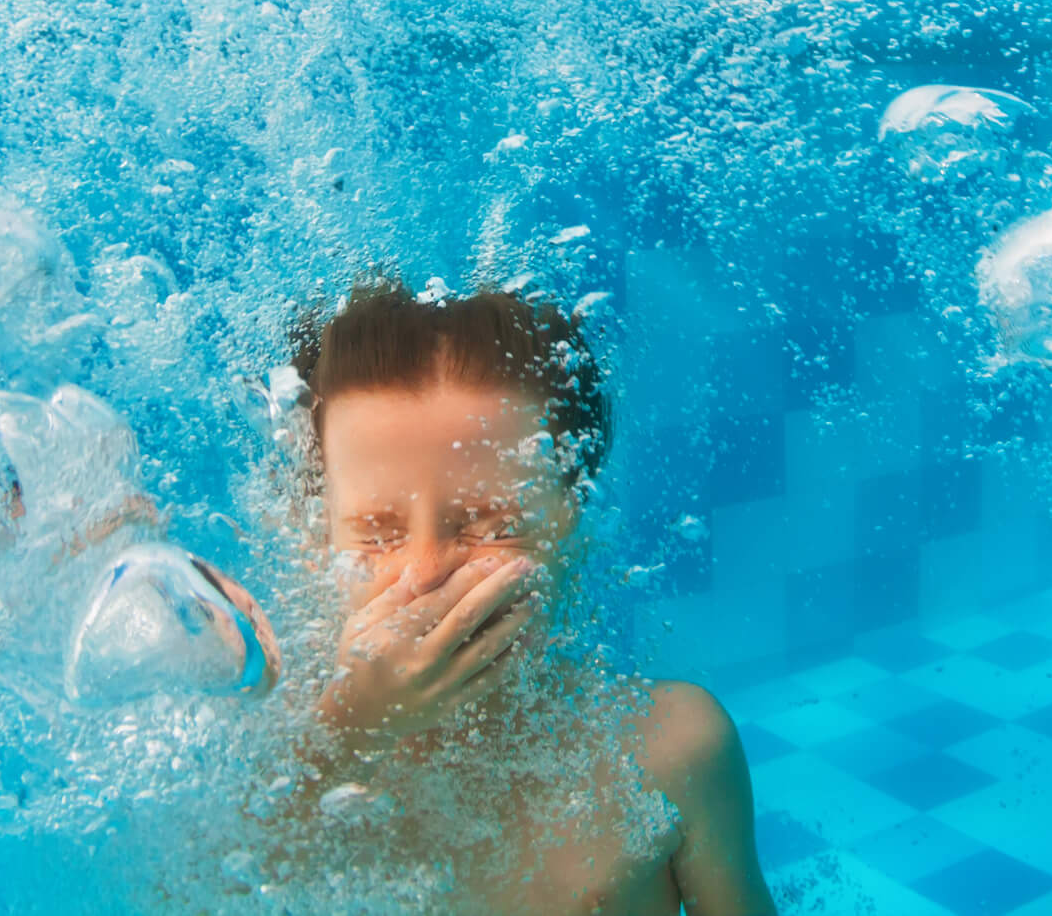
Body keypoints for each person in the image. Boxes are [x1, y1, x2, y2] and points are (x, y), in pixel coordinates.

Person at [287, 277, 777, 916]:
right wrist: (351, 726)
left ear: (573, 523)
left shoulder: (670, 749)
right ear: (317, 535)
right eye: (378, 533)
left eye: (495, 525)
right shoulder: (287, 773)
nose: (427, 570)